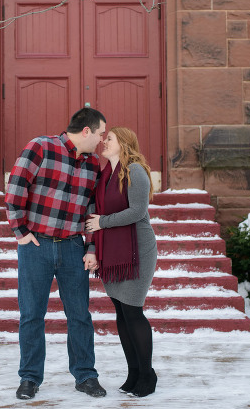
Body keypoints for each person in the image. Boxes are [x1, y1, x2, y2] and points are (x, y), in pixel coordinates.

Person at [4, 107, 108, 400]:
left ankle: (86, 375)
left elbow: (92, 211)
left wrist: (91, 247)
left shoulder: (93, 165)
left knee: (79, 315)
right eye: (100, 133)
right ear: (86, 131)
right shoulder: (41, 147)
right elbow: (15, 189)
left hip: (73, 248)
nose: (102, 140)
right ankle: (30, 378)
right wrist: (21, 232)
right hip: (36, 245)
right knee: (32, 315)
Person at [85, 126, 159, 397]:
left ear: (124, 144)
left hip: (137, 251)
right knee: (121, 313)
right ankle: (134, 373)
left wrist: (102, 222)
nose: (104, 142)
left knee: (133, 311)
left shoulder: (135, 171)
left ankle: (148, 375)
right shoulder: (104, 175)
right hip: (114, 252)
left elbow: (138, 211)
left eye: (110, 139)